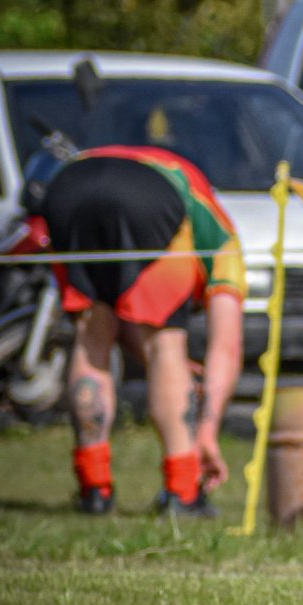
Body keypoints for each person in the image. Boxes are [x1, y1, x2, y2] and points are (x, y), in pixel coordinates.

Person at [35, 145, 245, 515]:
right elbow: (225, 348)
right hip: (152, 194)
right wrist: (208, 432)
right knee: (167, 345)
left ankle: (94, 488)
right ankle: (183, 490)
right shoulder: (224, 244)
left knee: (91, 336)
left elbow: (127, 322)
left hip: (68, 185)